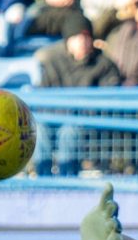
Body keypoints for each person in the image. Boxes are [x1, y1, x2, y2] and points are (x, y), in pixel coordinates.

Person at [33, 14, 120, 175]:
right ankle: (42, 176)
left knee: (70, 130)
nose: (83, 42)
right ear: (68, 40)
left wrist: (80, 113)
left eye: (86, 38)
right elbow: (43, 96)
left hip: (86, 120)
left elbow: (107, 99)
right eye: (77, 38)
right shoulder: (53, 62)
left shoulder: (103, 65)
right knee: (40, 127)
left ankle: (68, 176)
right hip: (55, 116)